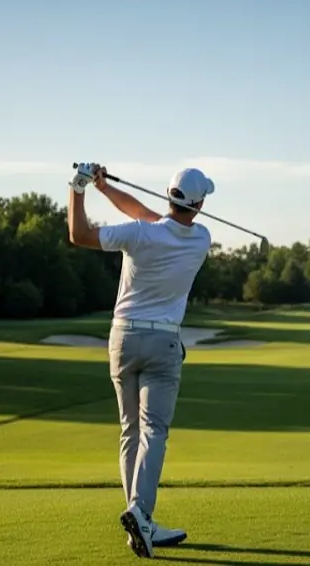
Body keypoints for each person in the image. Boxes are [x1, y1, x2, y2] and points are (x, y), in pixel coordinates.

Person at [67, 161, 214, 558]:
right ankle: (141, 512)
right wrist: (103, 188)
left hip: (122, 339)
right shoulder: (201, 238)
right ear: (198, 205)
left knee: (130, 430)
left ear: (169, 196)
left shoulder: (138, 234)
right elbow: (145, 214)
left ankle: (139, 529)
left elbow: (79, 234)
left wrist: (81, 187)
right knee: (155, 432)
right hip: (163, 342)